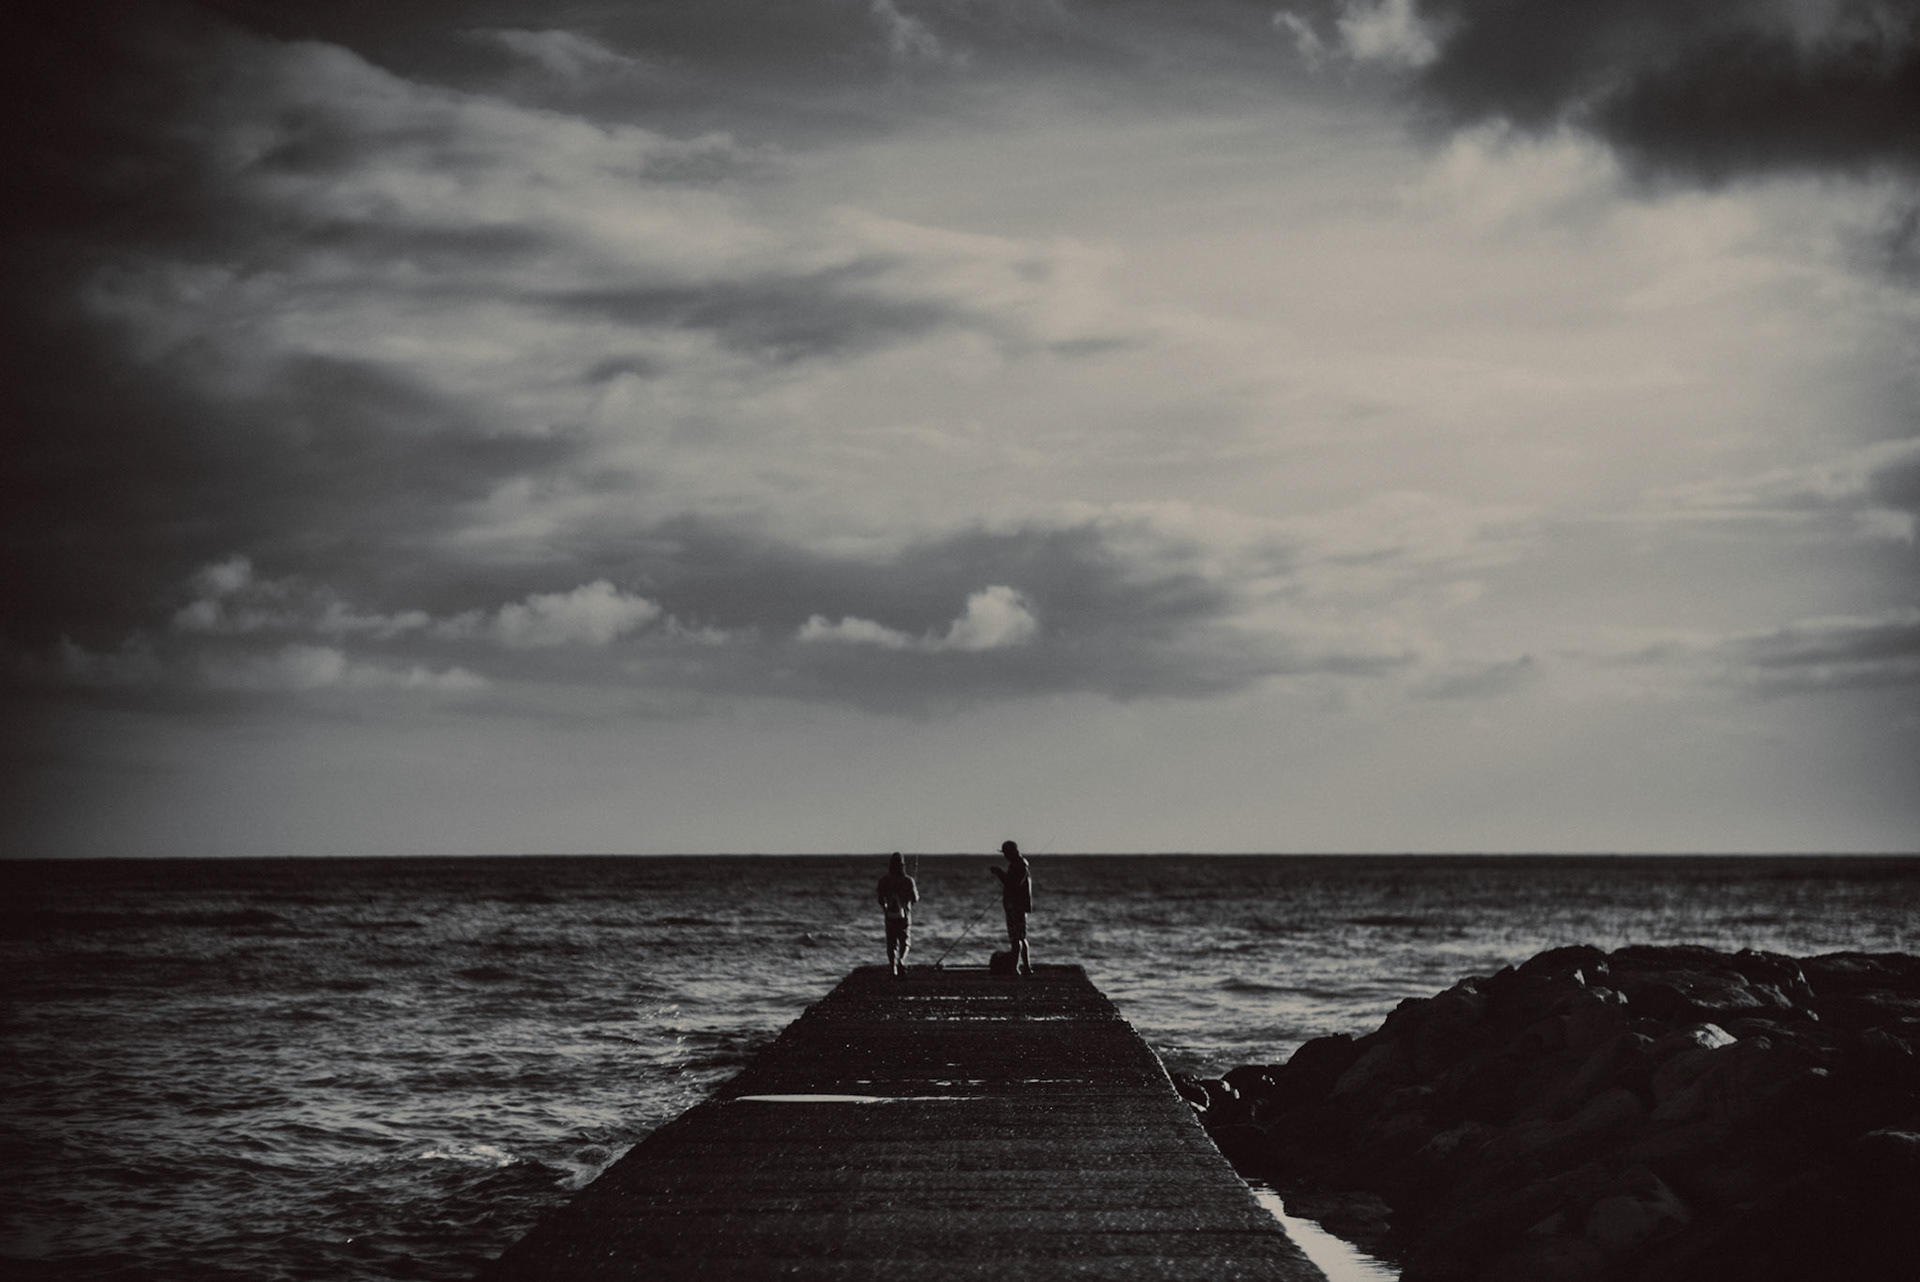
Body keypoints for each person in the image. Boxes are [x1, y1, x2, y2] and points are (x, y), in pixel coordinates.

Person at [989, 840, 1033, 976]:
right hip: (1019, 907)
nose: (1005, 856)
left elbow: (1013, 884)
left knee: (1016, 938)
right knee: (1021, 937)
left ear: (1011, 852)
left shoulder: (1018, 866)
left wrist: (999, 873)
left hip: (1015, 907)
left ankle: (1015, 968)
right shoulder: (1020, 865)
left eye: (1006, 853)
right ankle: (1026, 967)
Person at [876, 851, 919, 978]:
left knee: (891, 943)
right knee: (905, 941)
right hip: (905, 915)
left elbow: (880, 899)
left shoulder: (884, 880)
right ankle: (901, 960)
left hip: (889, 915)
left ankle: (892, 967)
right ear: (902, 865)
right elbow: (915, 898)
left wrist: (886, 910)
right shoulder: (908, 881)